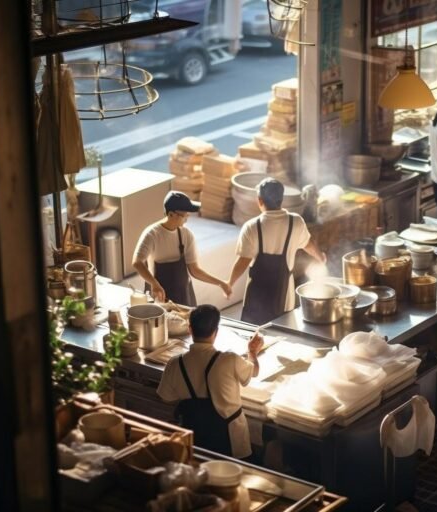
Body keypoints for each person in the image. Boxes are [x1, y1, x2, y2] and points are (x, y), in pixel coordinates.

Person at [157, 304, 263, 458]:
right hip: (231, 442)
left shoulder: (174, 363)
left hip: (195, 441)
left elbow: (165, 397)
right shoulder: (230, 360)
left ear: (190, 329)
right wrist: (252, 352)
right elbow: (254, 371)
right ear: (216, 332)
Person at [228, 178, 326, 325]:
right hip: (284, 297)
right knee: (282, 334)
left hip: (256, 298)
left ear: (260, 201)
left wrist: (229, 283)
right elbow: (308, 244)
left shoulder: (251, 227)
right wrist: (320, 257)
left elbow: (243, 261)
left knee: (253, 334)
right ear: (282, 199)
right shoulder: (296, 222)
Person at [133, 191, 231, 305]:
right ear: (171, 214)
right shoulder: (152, 234)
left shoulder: (186, 235)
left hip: (183, 296)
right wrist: (154, 284)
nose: (187, 219)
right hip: (158, 295)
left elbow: (195, 270)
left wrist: (220, 283)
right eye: (184, 215)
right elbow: (137, 263)